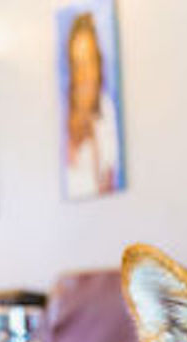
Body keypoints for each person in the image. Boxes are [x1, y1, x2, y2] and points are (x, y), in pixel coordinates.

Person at [63, 11, 121, 200]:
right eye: (77, 64)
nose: (84, 75)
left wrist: (93, 130)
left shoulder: (105, 110)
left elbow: (104, 183)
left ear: (98, 62)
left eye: (88, 62)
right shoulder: (66, 112)